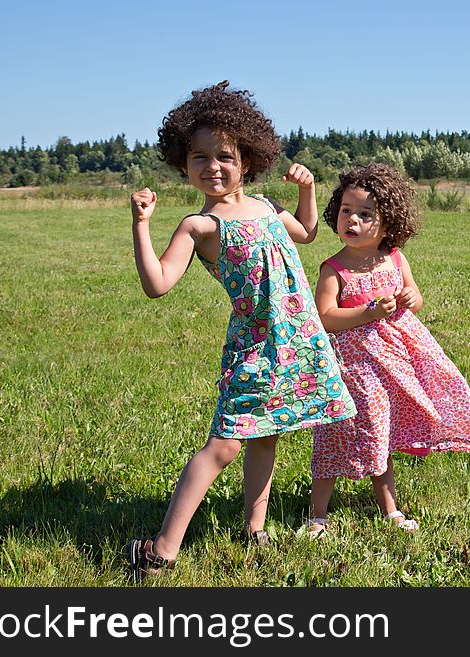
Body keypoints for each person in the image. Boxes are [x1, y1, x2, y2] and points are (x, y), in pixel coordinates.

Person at [126, 81, 355, 580]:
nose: (212, 166)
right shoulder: (199, 227)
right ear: (183, 165)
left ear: (247, 160)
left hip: (295, 340)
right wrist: (142, 225)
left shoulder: (270, 209)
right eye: (199, 157)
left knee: (266, 437)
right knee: (224, 445)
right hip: (254, 347)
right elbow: (157, 283)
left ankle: (255, 529)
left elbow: (307, 232)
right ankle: (161, 549)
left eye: (224, 155)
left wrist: (308, 190)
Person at [308, 164, 470, 538]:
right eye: (346, 210)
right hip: (353, 367)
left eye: (365, 214)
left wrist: (411, 297)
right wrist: (368, 312)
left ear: (388, 223)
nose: (352, 220)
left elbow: (416, 297)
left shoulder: (394, 258)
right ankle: (318, 515)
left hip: (394, 363)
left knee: (382, 433)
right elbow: (324, 318)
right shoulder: (334, 269)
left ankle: (389, 508)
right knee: (333, 434)